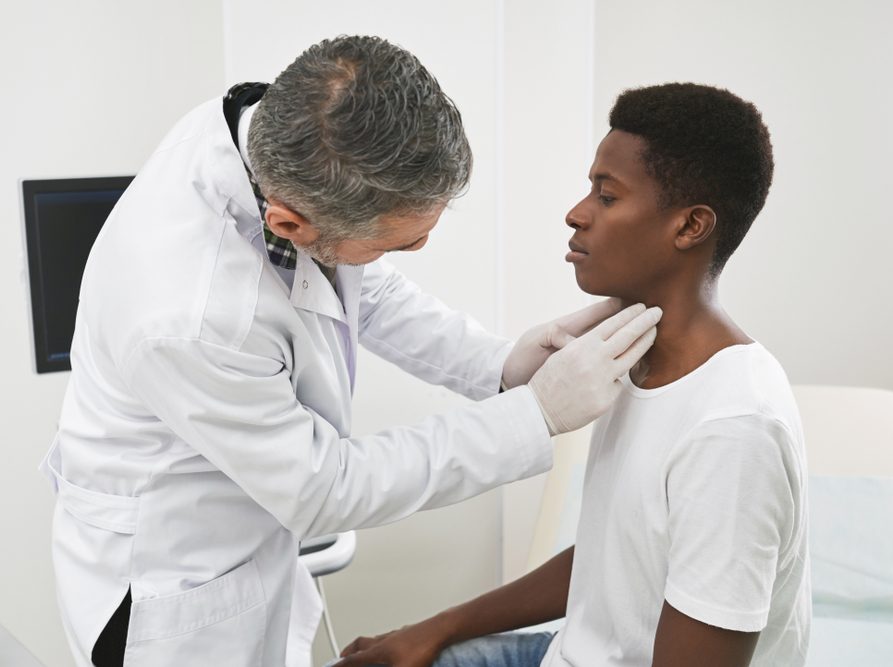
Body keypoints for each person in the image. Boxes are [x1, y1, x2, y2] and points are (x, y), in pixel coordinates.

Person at [41, 35, 662, 667]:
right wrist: (537, 416)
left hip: (245, 536)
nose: (416, 251)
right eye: (400, 243)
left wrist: (500, 366)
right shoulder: (189, 316)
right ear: (291, 225)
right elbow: (323, 490)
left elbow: (358, 286)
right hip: (169, 595)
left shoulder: (266, 134)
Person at [336, 82, 811, 667]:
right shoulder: (634, 361)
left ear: (690, 227)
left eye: (606, 197)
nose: (577, 213)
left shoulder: (733, 429)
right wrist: (430, 630)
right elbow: (617, 557)